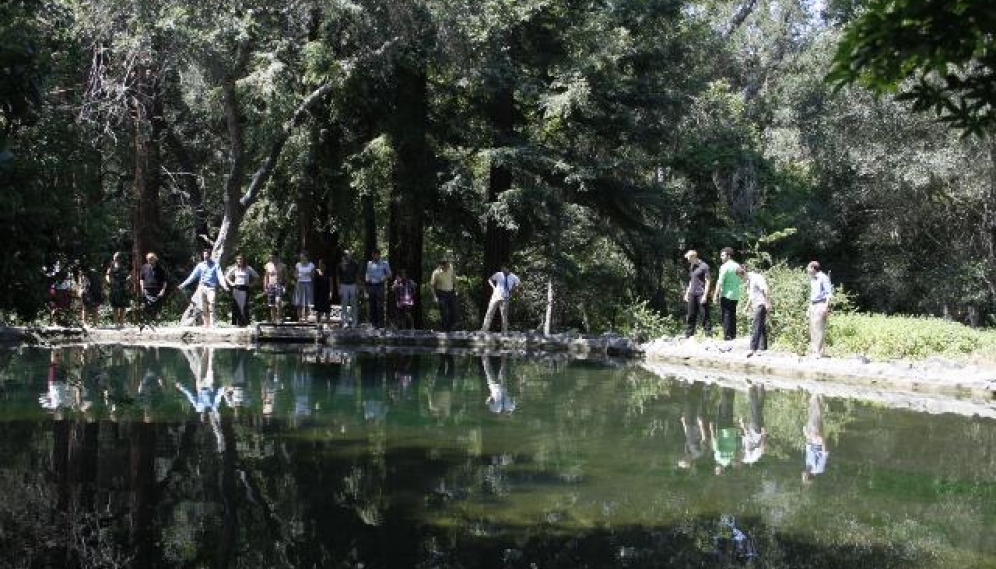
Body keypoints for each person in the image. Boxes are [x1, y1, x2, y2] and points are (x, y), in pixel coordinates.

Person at [179, 249, 230, 327]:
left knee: (211, 303)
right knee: (203, 306)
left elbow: (220, 276)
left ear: (210, 255)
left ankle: (212, 324)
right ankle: (206, 324)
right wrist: (183, 285)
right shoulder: (200, 265)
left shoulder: (216, 265)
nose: (205, 256)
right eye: (204, 255)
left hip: (211, 288)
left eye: (207, 255)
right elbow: (192, 276)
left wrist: (224, 285)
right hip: (202, 287)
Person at [740, 265, 770, 357]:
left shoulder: (757, 277)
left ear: (744, 273)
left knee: (755, 326)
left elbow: (765, 289)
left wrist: (768, 303)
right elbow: (751, 296)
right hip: (755, 304)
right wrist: (747, 306)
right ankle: (763, 348)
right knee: (761, 326)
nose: (741, 279)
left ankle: (752, 349)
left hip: (761, 304)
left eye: (740, 277)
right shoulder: (749, 280)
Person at [712, 247, 742, 340]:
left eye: (723, 255)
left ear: (728, 256)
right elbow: (742, 277)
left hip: (726, 294)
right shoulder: (737, 265)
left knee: (726, 315)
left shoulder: (724, 267)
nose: (721, 257)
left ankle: (727, 336)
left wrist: (715, 295)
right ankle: (733, 335)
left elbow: (720, 282)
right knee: (732, 314)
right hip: (736, 294)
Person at [481, 265, 520, 333]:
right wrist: (493, 287)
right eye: (502, 269)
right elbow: (490, 280)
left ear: (508, 269)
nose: (503, 270)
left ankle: (504, 332)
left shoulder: (513, 277)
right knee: (489, 313)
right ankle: (484, 330)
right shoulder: (498, 274)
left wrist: (512, 289)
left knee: (504, 316)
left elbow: (519, 285)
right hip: (495, 296)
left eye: (504, 269)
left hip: (505, 298)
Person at [806, 261, 833, 357]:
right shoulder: (813, 279)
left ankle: (819, 352)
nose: (807, 270)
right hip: (813, 305)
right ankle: (814, 351)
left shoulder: (823, 278)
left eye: (808, 268)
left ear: (813, 268)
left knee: (819, 328)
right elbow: (813, 294)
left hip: (821, 304)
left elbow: (828, 294)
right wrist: (809, 308)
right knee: (812, 328)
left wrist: (825, 307)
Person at [683, 250, 712, 338]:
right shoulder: (692, 266)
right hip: (692, 293)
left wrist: (705, 295)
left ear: (693, 257)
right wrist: (686, 293)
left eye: (689, 258)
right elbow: (691, 281)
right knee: (691, 314)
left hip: (701, 293)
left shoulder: (704, 266)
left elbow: (708, 281)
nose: (688, 261)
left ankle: (708, 334)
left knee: (704, 314)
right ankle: (689, 334)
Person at [225, 254, 259, 327]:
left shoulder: (248, 268)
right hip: (236, 288)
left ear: (243, 260)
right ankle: (234, 323)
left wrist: (251, 284)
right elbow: (227, 276)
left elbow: (257, 277)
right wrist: (231, 283)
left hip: (245, 288)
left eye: (241, 259)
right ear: (236, 260)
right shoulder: (234, 268)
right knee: (235, 305)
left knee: (245, 306)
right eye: (238, 259)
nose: (239, 260)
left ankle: (246, 323)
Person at [802, 393, 829, 482]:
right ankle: (816, 397)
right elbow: (824, 454)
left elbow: (808, 450)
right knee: (815, 420)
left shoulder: (807, 465)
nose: (803, 473)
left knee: (811, 419)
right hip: (818, 442)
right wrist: (822, 440)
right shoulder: (818, 468)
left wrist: (807, 437)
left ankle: (818, 400)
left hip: (810, 440)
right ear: (809, 475)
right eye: (805, 475)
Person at [740, 384, 767, 465]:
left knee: (758, 410)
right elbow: (761, 449)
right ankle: (751, 387)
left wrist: (742, 425)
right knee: (753, 409)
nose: (737, 454)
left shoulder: (742, 452)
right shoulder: (751, 457)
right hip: (756, 432)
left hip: (752, 430)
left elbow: (746, 437)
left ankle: (761, 388)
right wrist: (764, 435)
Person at [365, 249, 392, 328]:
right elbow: (367, 273)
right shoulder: (369, 263)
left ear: (379, 255)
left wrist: (385, 277)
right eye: (373, 255)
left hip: (380, 285)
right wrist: (366, 278)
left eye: (376, 255)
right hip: (371, 285)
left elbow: (390, 274)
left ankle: (381, 324)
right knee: (372, 305)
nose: (375, 256)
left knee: (380, 305)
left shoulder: (384, 263)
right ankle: (373, 323)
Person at [139, 252, 169, 321]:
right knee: (146, 307)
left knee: (157, 307)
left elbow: (164, 281)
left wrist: (163, 290)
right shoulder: (144, 267)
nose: (149, 260)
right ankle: (147, 322)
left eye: (151, 259)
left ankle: (156, 322)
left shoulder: (160, 268)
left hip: (157, 290)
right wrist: (142, 288)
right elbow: (141, 279)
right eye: (148, 259)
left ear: (155, 259)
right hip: (147, 290)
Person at [430, 258, 457, 331]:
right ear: (441, 266)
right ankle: (445, 329)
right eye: (446, 266)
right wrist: (434, 296)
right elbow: (432, 285)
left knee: (454, 311)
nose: (447, 267)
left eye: (448, 266)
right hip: (442, 293)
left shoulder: (451, 267)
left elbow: (454, 278)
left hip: (451, 292)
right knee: (444, 312)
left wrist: (456, 289)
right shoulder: (436, 273)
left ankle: (449, 327)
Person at [105, 252, 131, 327]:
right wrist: (108, 281)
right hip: (114, 287)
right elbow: (107, 275)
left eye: (117, 257)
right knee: (115, 306)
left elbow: (129, 275)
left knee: (123, 306)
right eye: (115, 257)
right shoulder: (111, 266)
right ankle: (116, 323)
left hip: (123, 287)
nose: (116, 258)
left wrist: (128, 278)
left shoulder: (124, 265)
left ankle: (122, 323)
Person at [337, 250, 361, 328]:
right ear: (344, 255)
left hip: (353, 285)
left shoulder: (355, 264)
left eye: (350, 254)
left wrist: (357, 287)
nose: (349, 255)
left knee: (354, 304)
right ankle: (345, 322)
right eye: (347, 254)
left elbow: (357, 276)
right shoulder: (340, 264)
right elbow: (338, 277)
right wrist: (339, 288)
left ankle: (354, 322)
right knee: (344, 305)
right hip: (343, 285)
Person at [264, 252, 287, 323]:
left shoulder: (283, 265)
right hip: (270, 285)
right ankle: (273, 319)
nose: (271, 259)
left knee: (278, 301)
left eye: (273, 257)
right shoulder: (268, 265)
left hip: (279, 285)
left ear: (277, 257)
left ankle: (279, 318)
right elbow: (266, 276)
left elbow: (286, 277)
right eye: (270, 257)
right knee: (272, 304)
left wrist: (285, 287)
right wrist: (265, 287)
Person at [293, 251, 315, 322]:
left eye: (302, 256)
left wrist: (306, 274)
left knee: (307, 302)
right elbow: (295, 275)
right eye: (300, 256)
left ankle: (306, 318)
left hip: (308, 283)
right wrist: (299, 275)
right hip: (300, 283)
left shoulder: (311, 265)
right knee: (299, 301)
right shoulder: (298, 264)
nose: (301, 257)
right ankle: (299, 318)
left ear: (306, 257)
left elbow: (312, 275)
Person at [312, 259, 332, 323]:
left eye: (321, 264)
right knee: (318, 309)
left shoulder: (328, 273)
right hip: (318, 293)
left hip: (326, 293)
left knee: (327, 309)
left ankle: (328, 323)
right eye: (319, 264)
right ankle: (318, 323)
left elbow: (331, 284)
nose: (320, 265)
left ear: (324, 265)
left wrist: (331, 292)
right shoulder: (315, 272)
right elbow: (313, 282)